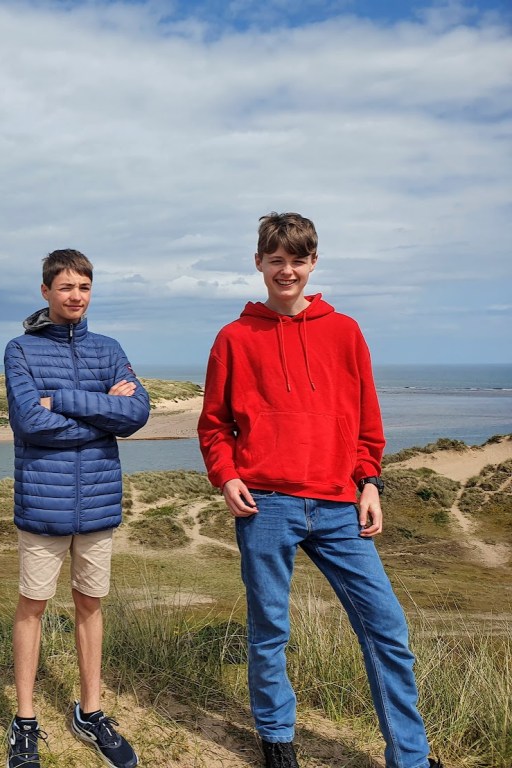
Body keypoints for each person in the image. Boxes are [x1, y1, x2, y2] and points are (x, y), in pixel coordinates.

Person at [197, 213, 441, 768]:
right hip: (265, 505)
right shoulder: (234, 337)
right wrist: (227, 475)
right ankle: (277, 741)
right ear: (259, 263)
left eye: (297, 260)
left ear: (313, 263)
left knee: (386, 629)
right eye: (276, 260)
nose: (287, 271)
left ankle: (410, 757)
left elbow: (366, 417)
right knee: (269, 630)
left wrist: (370, 481)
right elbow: (214, 425)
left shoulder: (345, 331)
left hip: (337, 504)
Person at [4, 249, 150, 768]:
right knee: (33, 606)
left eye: (84, 287)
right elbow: (29, 422)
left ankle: (90, 712)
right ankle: (25, 720)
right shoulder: (20, 349)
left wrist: (62, 399)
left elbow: (137, 413)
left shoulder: (109, 349)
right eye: (66, 287)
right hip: (42, 506)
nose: (76, 296)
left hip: (97, 506)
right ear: (45, 291)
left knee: (91, 604)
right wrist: (102, 412)